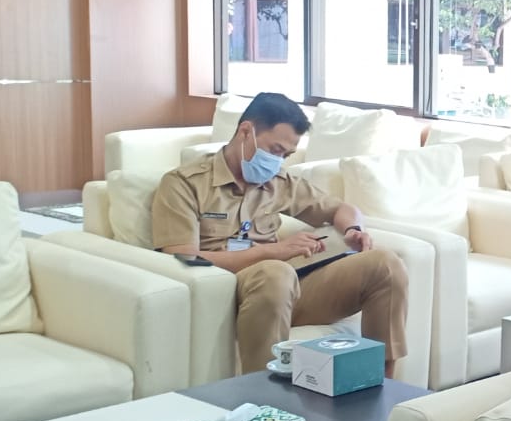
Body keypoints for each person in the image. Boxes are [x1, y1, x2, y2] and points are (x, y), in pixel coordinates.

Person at [151, 91, 409, 378]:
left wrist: (353, 229)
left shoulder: (278, 183)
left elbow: (340, 208)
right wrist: (272, 252)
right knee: (275, 272)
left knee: (385, 263)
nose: (278, 162)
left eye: (286, 155)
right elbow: (182, 257)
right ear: (245, 131)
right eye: (274, 151)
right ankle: (267, 402)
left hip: (281, 292)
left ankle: (382, 383)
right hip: (225, 292)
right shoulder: (184, 184)